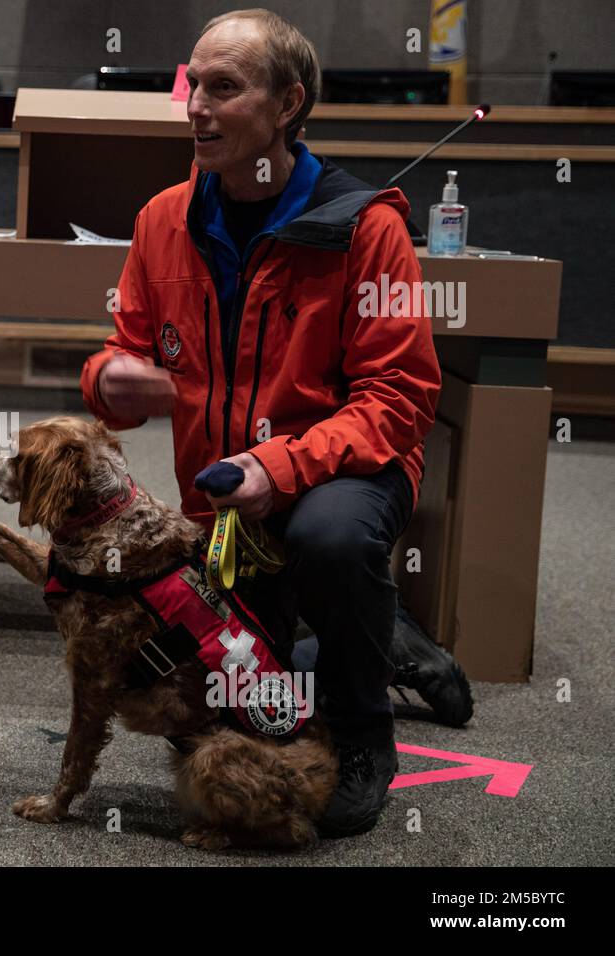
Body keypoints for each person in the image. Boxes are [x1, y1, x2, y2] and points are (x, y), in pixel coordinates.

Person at [81, 8, 469, 836]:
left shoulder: (369, 229)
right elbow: (127, 348)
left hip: (342, 478)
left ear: (289, 103)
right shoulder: (162, 219)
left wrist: (281, 468)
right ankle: (382, 635)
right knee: (219, 708)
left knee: (328, 542)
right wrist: (109, 381)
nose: (196, 106)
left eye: (225, 88)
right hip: (220, 501)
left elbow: (400, 397)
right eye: (193, 84)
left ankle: (366, 731)